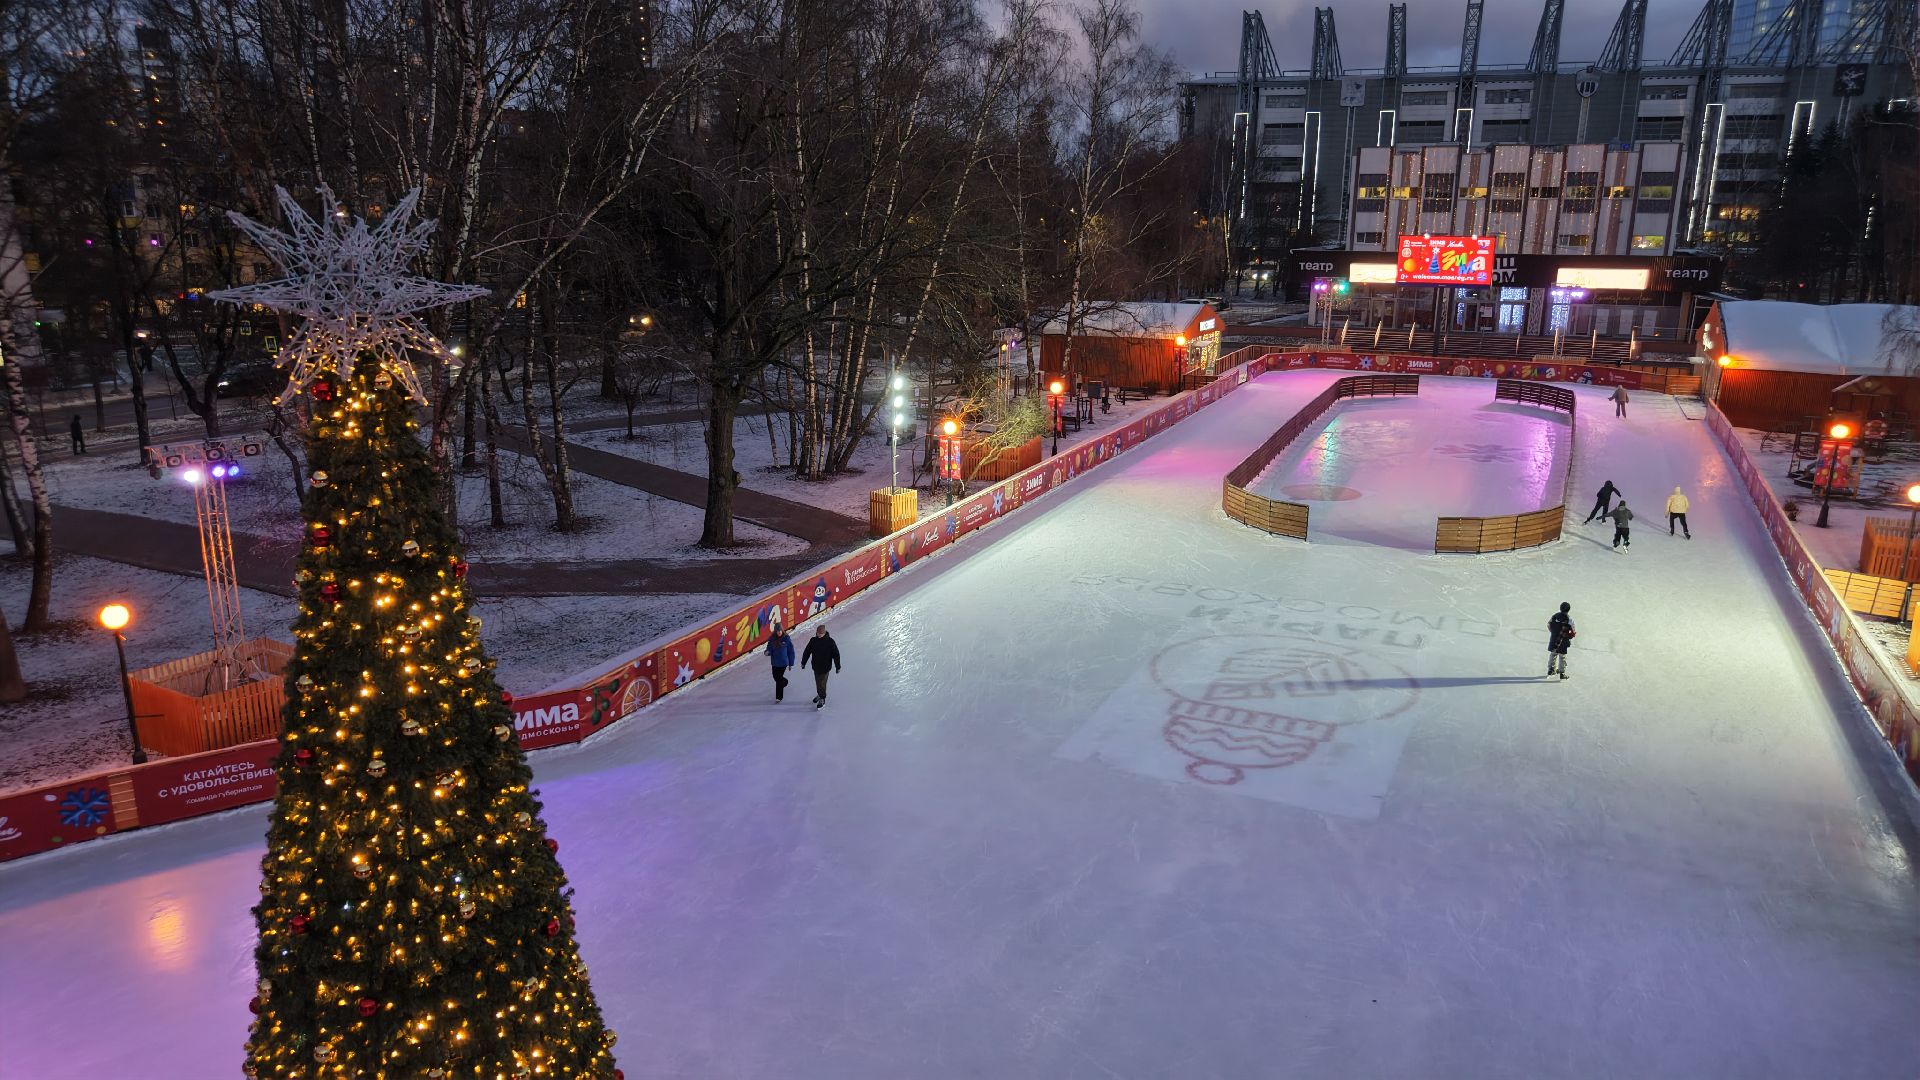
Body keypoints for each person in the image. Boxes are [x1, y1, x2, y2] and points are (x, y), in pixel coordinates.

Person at [800, 624, 841, 709]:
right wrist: (803, 662)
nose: (818, 634)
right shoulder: (813, 640)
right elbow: (807, 652)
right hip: (816, 666)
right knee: (818, 682)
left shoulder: (830, 642)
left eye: (820, 633)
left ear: (824, 633)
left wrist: (838, 666)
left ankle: (822, 698)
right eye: (817, 632)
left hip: (825, 667)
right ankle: (820, 694)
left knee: (822, 683)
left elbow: (836, 655)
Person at [766, 626, 796, 702]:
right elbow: (769, 648)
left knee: (778, 679)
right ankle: (785, 682)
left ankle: (779, 697)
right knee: (776, 677)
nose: (779, 632)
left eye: (780, 631)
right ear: (775, 631)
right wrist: (767, 652)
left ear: (782, 631)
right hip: (775, 662)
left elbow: (791, 652)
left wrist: (790, 663)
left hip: (783, 663)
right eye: (777, 631)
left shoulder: (786, 639)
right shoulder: (772, 639)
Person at [1547, 602, 1575, 680]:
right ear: (1568, 610)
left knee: (1553, 654)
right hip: (1563, 641)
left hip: (1554, 639)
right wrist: (1570, 636)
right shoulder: (1569, 620)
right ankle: (1562, 673)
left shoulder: (1554, 616)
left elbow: (1549, 624)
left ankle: (1551, 670)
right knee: (1562, 657)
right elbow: (1572, 631)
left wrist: (1553, 632)